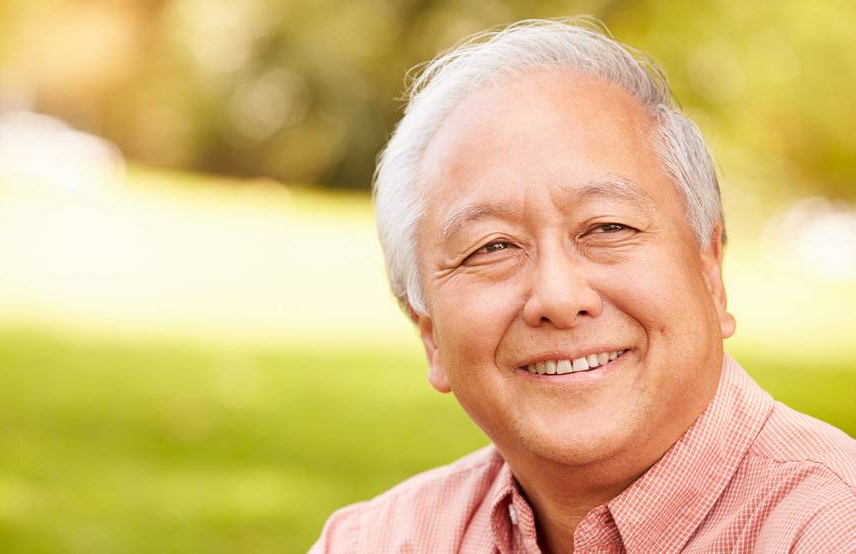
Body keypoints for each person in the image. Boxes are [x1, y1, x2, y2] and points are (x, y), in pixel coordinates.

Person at [311, 18, 855, 553]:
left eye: (607, 228)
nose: (559, 298)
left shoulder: (831, 529)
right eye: (493, 247)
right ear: (429, 333)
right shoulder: (375, 541)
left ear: (710, 273)